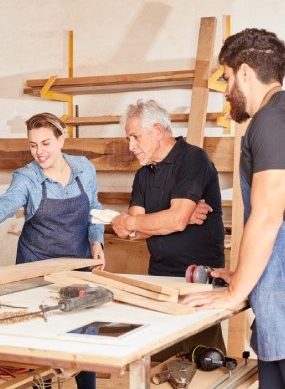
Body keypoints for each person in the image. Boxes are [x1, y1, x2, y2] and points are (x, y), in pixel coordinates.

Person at [181, 28, 285, 389]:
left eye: (226, 78)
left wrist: (235, 291)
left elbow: (270, 214)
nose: (225, 91)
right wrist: (242, 272)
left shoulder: (270, 121)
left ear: (244, 72)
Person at [0, 112, 105, 389]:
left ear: (62, 138)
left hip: (76, 264)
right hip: (36, 266)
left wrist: (96, 241)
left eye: (45, 143)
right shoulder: (28, 177)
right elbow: (10, 199)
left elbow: (94, 208)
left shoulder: (83, 168)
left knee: (84, 334)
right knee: (41, 335)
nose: (39, 152)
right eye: (33, 145)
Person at [111, 99, 226, 358]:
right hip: (160, 275)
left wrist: (136, 221)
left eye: (135, 137)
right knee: (161, 357)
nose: (131, 146)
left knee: (205, 359)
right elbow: (135, 233)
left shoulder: (193, 158)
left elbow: (147, 223)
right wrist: (172, 218)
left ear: (157, 130)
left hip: (199, 277)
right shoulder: (144, 174)